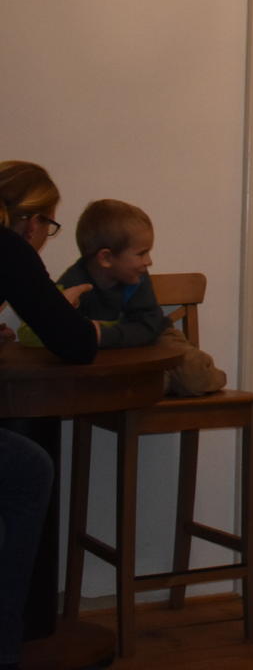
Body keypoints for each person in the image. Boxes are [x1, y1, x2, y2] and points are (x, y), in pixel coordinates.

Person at [0, 161, 97, 670]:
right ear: (32, 221)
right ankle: (5, 644)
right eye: (49, 226)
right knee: (30, 469)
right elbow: (74, 343)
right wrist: (77, 313)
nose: (44, 238)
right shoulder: (10, 248)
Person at [51, 199, 224, 397]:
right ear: (106, 258)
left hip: (155, 337)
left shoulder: (137, 277)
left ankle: (165, 379)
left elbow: (148, 326)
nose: (148, 261)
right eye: (141, 254)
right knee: (104, 384)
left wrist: (102, 336)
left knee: (195, 371)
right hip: (111, 353)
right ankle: (159, 381)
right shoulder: (73, 285)